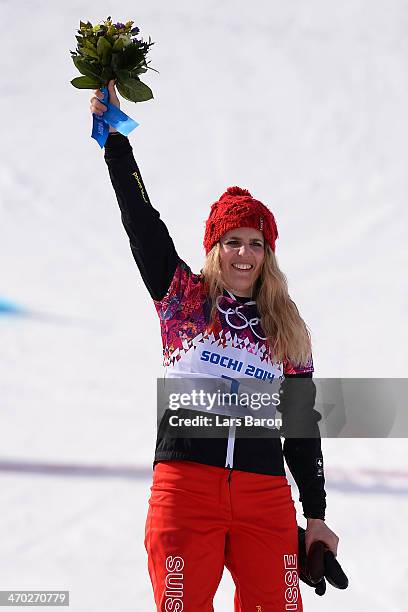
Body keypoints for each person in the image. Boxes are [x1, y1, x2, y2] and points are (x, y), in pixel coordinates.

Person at [90, 80, 339, 611]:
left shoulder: (288, 329)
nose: (244, 254)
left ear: (267, 254)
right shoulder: (182, 298)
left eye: (255, 243)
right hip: (185, 493)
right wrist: (116, 142)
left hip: (265, 498)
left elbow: (300, 426)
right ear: (214, 249)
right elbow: (142, 222)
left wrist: (314, 515)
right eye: (232, 242)